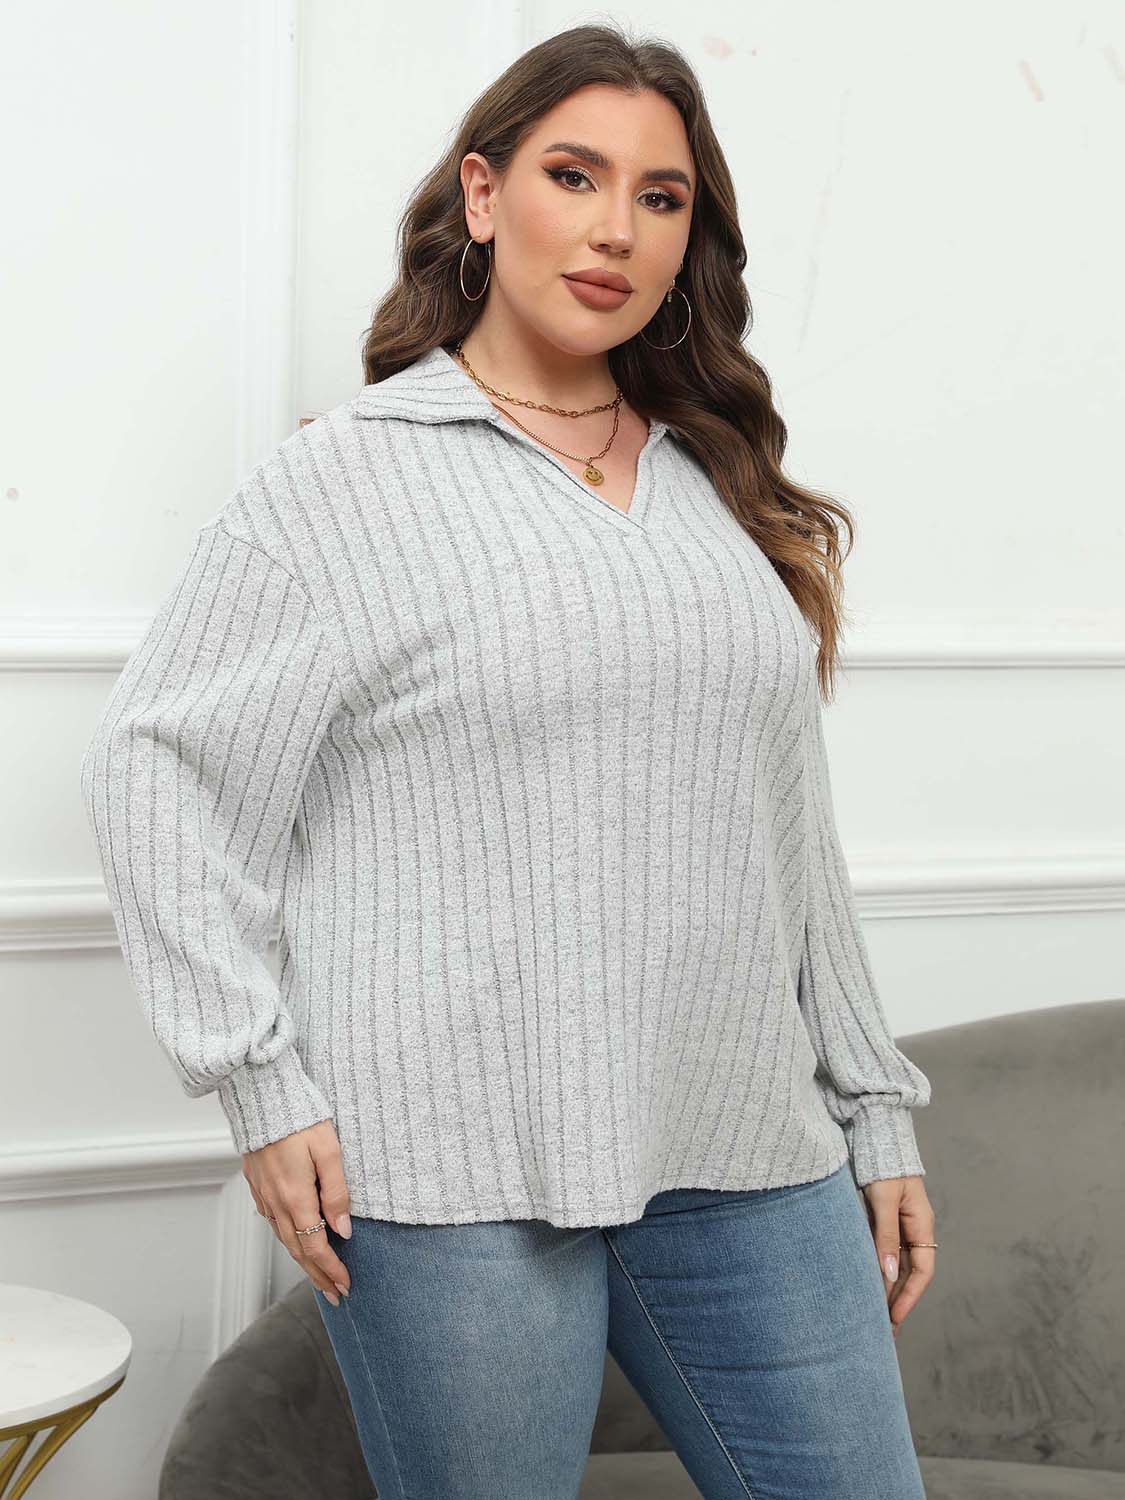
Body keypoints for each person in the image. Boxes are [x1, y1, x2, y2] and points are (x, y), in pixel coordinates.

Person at [80, 21, 938, 1499]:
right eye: (573, 176)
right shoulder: (347, 477)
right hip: (446, 1172)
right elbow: (158, 768)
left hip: (742, 1139)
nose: (616, 230)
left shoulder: (714, 481)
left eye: (660, 197)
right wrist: (260, 1082)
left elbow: (788, 832)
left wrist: (871, 1101)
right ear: (482, 195)